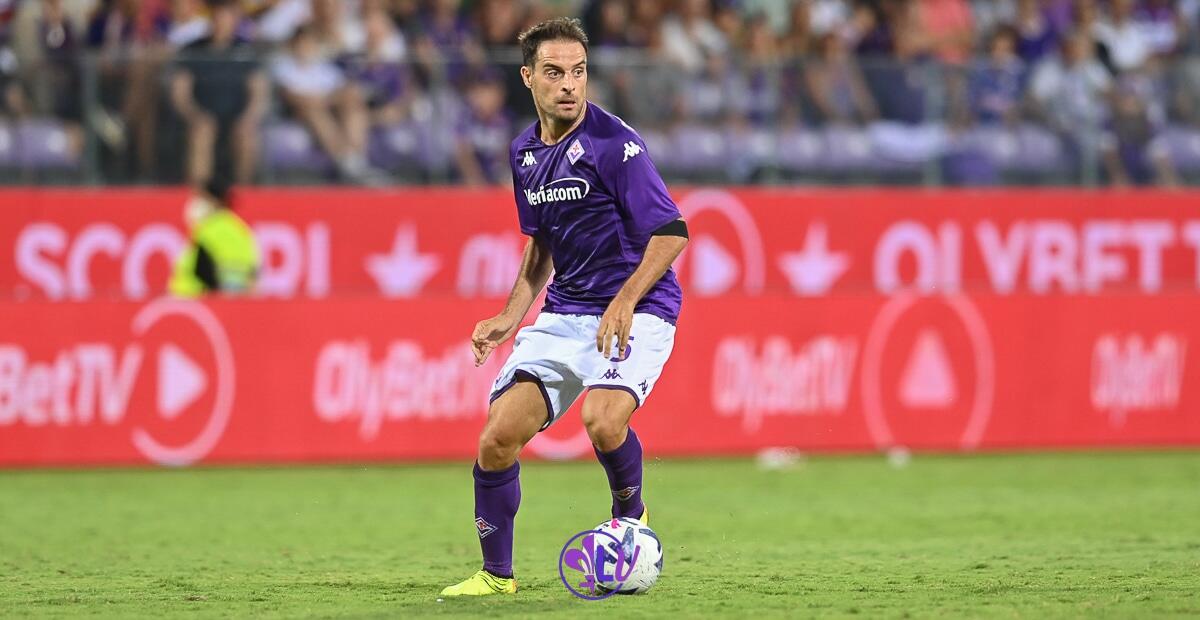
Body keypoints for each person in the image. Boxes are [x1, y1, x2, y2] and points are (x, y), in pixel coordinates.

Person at [439, 17, 689, 597]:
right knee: (496, 437)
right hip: (565, 310)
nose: (569, 85)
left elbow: (672, 231)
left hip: (639, 307)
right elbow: (542, 245)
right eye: (554, 73)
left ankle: (633, 520)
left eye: (578, 72)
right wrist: (508, 318)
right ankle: (496, 577)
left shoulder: (614, 145)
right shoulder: (524, 152)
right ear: (528, 78)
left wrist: (625, 301)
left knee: (602, 421)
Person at [168, 177, 260, 298]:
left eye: (201, 197)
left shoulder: (207, 229)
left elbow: (203, 272)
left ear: (215, 200)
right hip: (233, 303)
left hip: (194, 302)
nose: (195, 202)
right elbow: (252, 277)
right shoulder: (242, 230)